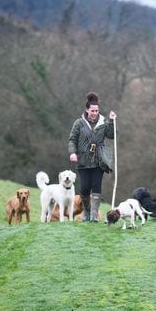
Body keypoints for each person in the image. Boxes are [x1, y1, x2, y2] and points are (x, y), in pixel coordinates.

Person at [68, 92, 117, 222]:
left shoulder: (103, 122)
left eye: (96, 110)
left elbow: (112, 135)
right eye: (92, 110)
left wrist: (112, 121)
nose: (94, 113)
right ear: (87, 110)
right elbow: (72, 139)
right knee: (84, 188)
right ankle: (87, 211)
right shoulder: (79, 123)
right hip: (83, 160)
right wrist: (72, 153)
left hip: (98, 160)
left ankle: (94, 215)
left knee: (96, 186)